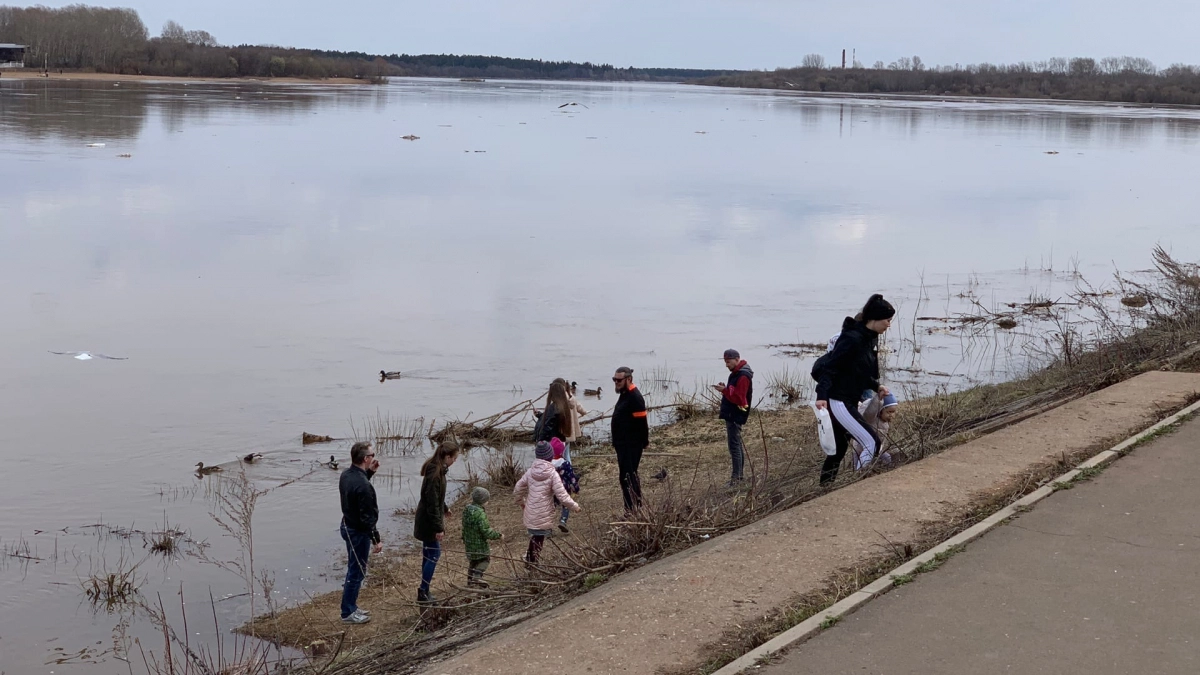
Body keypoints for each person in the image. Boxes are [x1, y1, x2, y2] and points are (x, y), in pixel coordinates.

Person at [813, 294, 895, 486]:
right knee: (872, 443)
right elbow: (830, 368)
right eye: (887, 320)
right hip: (838, 400)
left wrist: (876, 386)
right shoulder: (852, 339)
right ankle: (857, 485)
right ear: (874, 318)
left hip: (849, 399)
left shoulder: (869, 339)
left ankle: (824, 489)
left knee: (838, 450)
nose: (889, 325)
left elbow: (855, 371)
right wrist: (821, 396)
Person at [514, 441, 580, 563]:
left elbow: (518, 488)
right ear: (550, 456)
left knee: (535, 536)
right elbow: (562, 494)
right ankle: (532, 562)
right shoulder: (552, 474)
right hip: (543, 512)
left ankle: (529, 559)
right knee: (538, 538)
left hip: (531, 511)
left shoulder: (530, 472)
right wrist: (574, 506)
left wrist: (521, 502)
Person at [338, 441, 381, 624]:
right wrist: (376, 539)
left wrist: (369, 473)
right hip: (357, 532)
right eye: (372, 455)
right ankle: (347, 612)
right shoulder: (363, 485)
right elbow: (367, 517)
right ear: (365, 458)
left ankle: (352, 607)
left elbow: (358, 491)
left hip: (347, 525)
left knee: (355, 570)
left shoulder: (346, 475)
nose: (373, 457)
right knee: (356, 572)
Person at [413, 440, 459, 604]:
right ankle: (423, 591)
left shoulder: (438, 470)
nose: (455, 461)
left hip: (428, 518)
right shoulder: (435, 473)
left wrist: (445, 508)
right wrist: (438, 528)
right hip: (428, 522)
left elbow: (435, 497)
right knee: (434, 554)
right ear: (447, 456)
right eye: (454, 458)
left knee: (428, 554)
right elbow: (431, 502)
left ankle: (424, 589)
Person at [611, 366, 649, 513]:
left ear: (629, 379)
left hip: (631, 444)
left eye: (619, 380)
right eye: (614, 379)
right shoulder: (625, 393)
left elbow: (642, 423)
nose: (616, 382)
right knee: (627, 475)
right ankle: (634, 507)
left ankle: (632, 509)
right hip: (622, 444)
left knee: (628, 476)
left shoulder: (635, 397)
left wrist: (644, 442)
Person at [713, 349, 753, 486]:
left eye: (728, 362)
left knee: (734, 446)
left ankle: (736, 479)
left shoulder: (742, 376)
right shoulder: (736, 374)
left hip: (735, 414)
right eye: (725, 362)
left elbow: (739, 398)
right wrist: (726, 388)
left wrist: (724, 391)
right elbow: (734, 392)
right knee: (736, 445)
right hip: (733, 413)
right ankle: (739, 477)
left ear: (736, 360)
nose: (726, 365)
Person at [461, 487, 503, 589]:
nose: (487, 502)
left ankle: (470, 582)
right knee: (485, 560)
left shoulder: (466, 510)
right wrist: (498, 535)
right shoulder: (480, 514)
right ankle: (477, 576)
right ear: (483, 501)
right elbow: (486, 531)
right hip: (480, 545)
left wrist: (464, 537)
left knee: (473, 562)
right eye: (487, 500)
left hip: (469, 543)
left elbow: (464, 527)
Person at [853, 392, 899, 467]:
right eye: (889, 412)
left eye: (893, 412)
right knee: (858, 468)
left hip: (876, 451)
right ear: (880, 411)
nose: (891, 415)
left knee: (887, 458)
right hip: (860, 450)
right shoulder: (872, 419)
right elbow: (869, 412)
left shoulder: (885, 423)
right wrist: (878, 399)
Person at [552, 377, 588, 463]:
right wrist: (584, 413)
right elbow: (579, 407)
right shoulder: (571, 396)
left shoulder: (560, 398)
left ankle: (566, 469)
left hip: (563, 430)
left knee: (563, 453)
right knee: (566, 452)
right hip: (570, 431)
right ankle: (568, 468)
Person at [550, 437, 580, 532]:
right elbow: (572, 478)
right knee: (566, 505)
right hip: (564, 489)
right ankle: (563, 521)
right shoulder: (565, 464)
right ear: (562, 451)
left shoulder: (548, 464)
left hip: (552, 490)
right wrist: (576, 489)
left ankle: (548, 526)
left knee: (551, 507)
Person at [535, 380, 572, 446]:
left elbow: (547, 427)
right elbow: (551, 420)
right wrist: (540, 415)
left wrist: (540, 441)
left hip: (549, 443)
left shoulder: (553, 408)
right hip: (558, 441)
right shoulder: (563, 407)